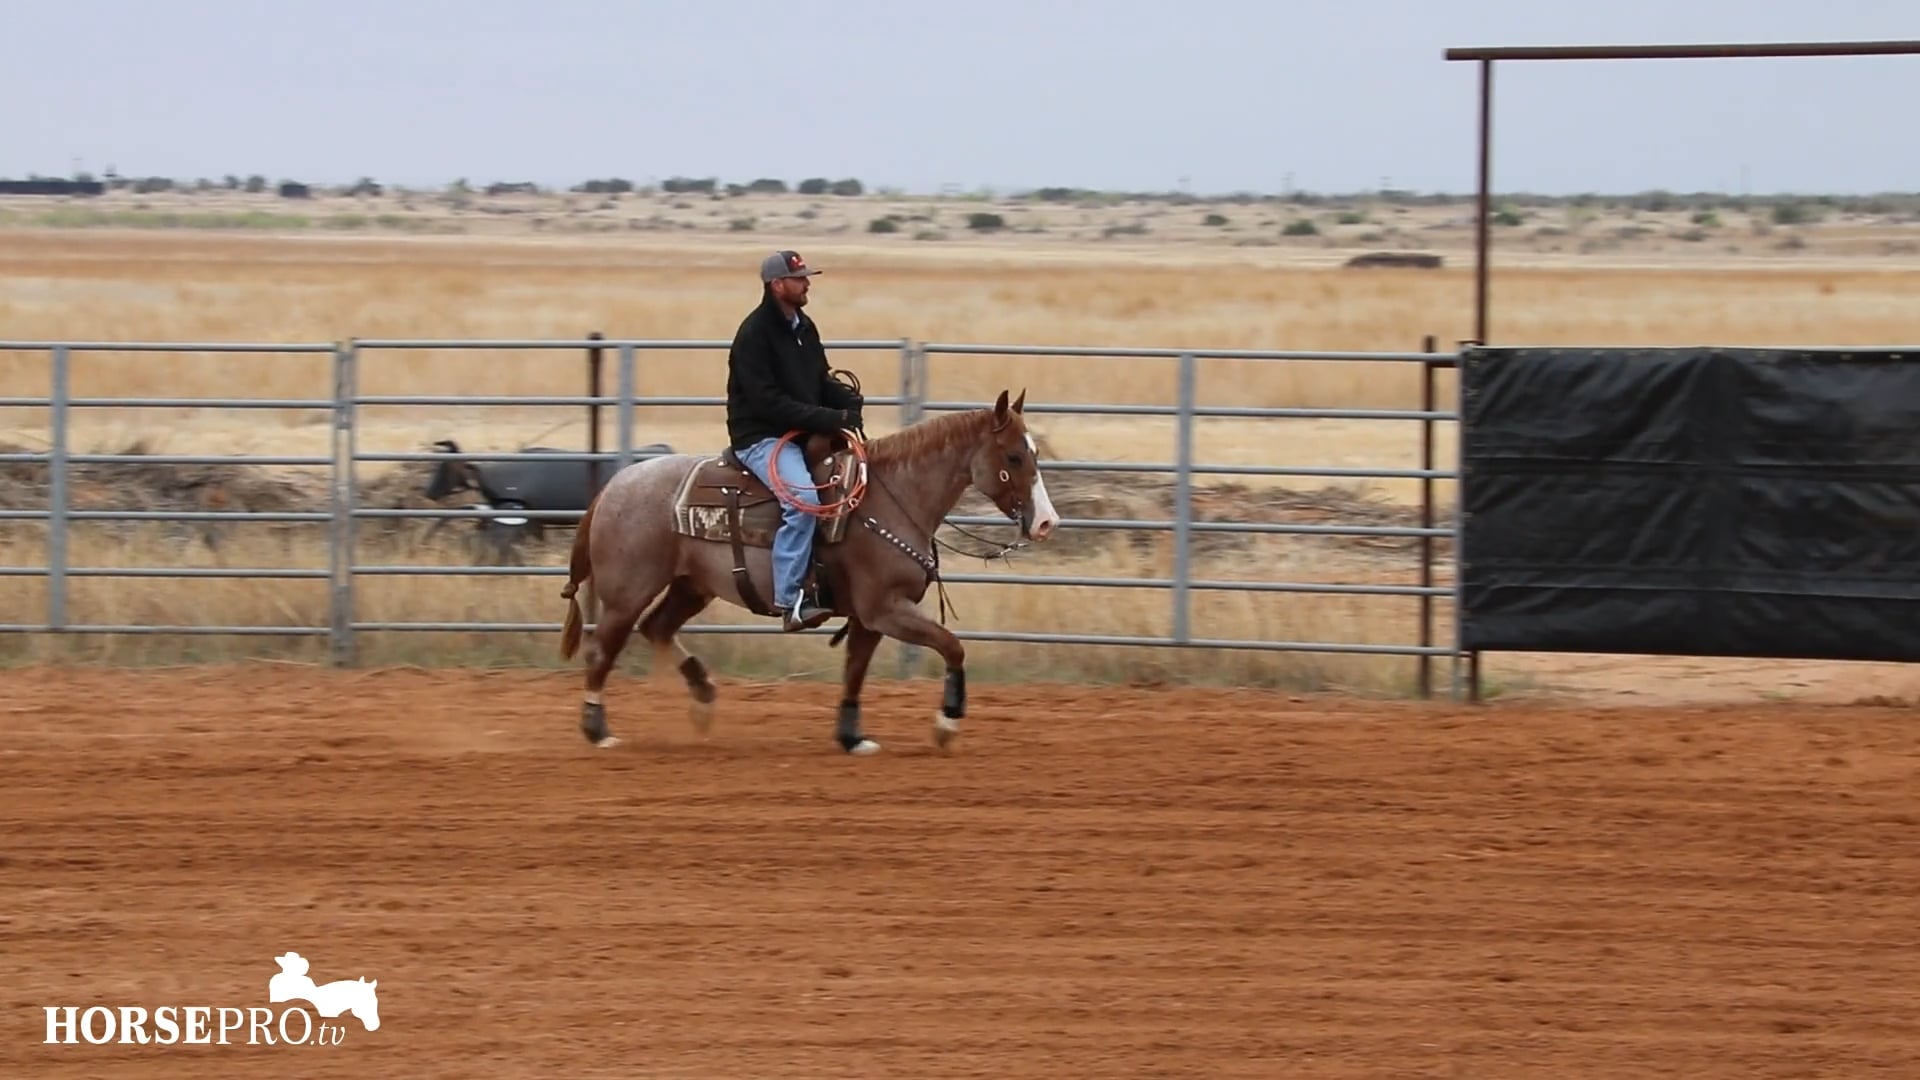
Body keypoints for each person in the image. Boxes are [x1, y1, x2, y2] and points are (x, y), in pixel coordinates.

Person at [725, 249, 864, 632]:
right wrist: (828, 418)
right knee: (803, 502)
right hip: (762, 437)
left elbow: (819, 380)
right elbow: (768, 403)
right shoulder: (753, 334)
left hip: (802, 431)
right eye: (800, 278)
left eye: (806, 277)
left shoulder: (804, 326)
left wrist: (846, 401)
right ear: (777, 284)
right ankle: (790, 601)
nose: (807, 285)